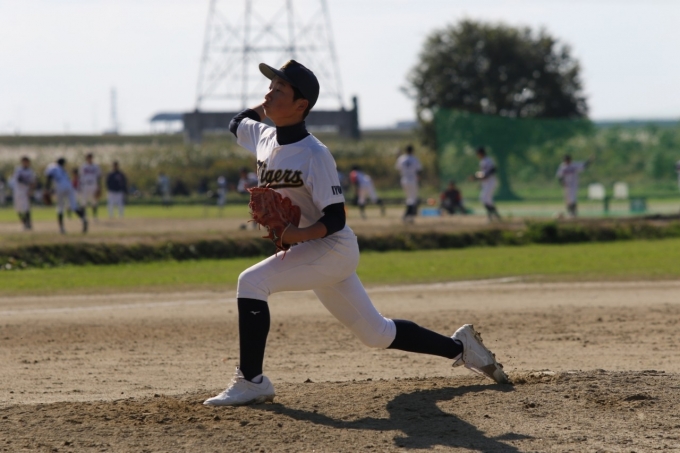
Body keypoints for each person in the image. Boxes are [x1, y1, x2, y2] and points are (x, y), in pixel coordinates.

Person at [202, 60, 508, 407]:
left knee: (251, 283)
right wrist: (269, 104)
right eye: (269, 88)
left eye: (279, 90)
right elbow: (237, 121)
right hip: (312, 251)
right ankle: (462, 347)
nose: (268, 94)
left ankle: (251, 381)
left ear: (301, 105)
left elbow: (335, 218)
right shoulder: (263, 136)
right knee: (376, 333)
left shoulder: (315, 154)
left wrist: (293, 235)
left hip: (331, 248)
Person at [44, 157, 87, 234]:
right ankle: (84, 219)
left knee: (60, 208)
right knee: (74, 206)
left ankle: (61, 228)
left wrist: (47, 189)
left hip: (60, 187)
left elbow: (49, 177)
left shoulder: (52, 166)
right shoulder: (63, 170)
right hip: (69, 186)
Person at [472, 147, 501, 221]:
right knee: (488, 200)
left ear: (480, 153)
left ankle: (490, 217)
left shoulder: (487, 160)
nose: (477, 155)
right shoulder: (482, 161)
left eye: (477, 153)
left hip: (490, 182)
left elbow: (493, 169)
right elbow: (483, 174)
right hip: (486, 183)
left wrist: (478, 177)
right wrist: (476, 177)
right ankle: (496, 216)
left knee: (483, 198)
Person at [394, 144, 422, 223]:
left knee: (409, 198)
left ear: (406, 150)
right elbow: (419, 169)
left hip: (404, 180)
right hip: (412, 180)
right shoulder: (415, 159)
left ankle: (409, 216)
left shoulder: (401, 158)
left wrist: (398, 156)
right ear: (412, 151)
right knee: (412, 199)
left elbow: (398, 168)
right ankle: (408, 215)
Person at [12, 156, 36, 231]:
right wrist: (28, 183)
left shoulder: (30, 171)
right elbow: (19, 179)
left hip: (26, 191)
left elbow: (33, 182)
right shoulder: (18, 169)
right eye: (24, 161)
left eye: (27, 162)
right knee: (18, 209)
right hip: (18, 191)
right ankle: (24, 222)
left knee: (26, 208)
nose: (26, 163)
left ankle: (28, 224)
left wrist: (31, 190)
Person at [78, 153, 102, 220]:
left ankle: (95, 216)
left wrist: (99, 186)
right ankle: (83, 216)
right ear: (86, 158)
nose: (89, 158)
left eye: (90, 157)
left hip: (93, 185)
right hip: (85, 185)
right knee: (83, 202)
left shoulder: (96, 166)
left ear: (92, 158)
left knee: (94, 201)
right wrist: (80, 186)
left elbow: (99, 177)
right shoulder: (83, 166)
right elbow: (80, 176)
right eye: (88, 157)